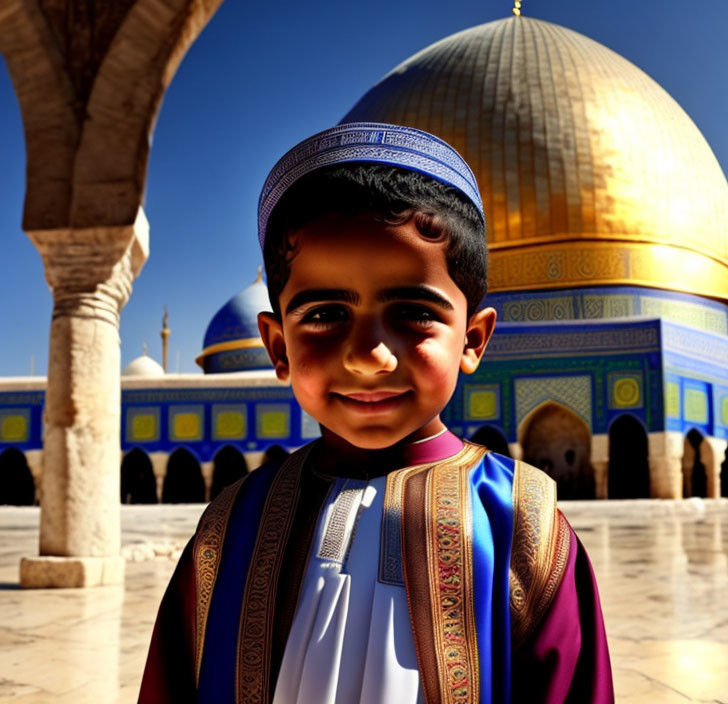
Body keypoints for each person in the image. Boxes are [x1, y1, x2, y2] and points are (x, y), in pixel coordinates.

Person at [138, 122, 614, 704]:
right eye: (322, 314)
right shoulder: (231, 527)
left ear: (473, 339)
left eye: (414, 312)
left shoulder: (523, 529)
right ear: (277, 346)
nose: (368, 356)